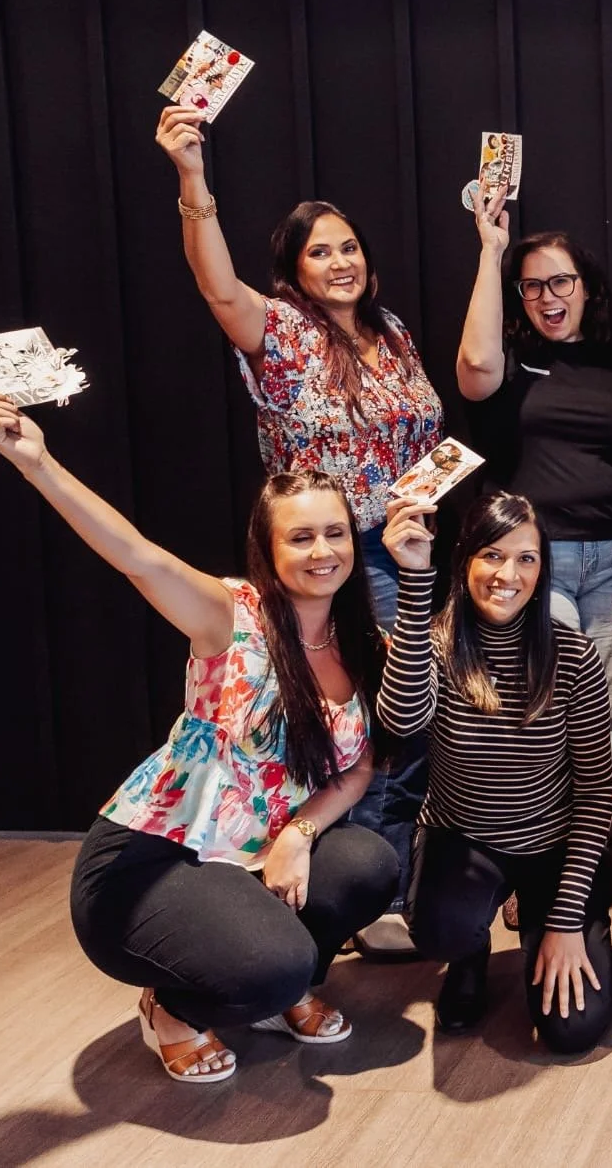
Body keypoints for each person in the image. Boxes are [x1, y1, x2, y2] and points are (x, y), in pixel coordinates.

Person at [0, 393, 397, 1084]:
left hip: (253, 853)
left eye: (335, 533)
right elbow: (136, 556)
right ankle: (173, 1007)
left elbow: (358, 769)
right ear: (267, 547)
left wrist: (300, 831)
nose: (323, 550)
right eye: (301, 537)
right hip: (152, 861)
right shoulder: (230, 615)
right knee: (276, 961)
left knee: (369, 863)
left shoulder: (363, 642)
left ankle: (272, 984)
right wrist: (39, 464)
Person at [156, 103, 443, 956]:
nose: (341, 260)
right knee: (344, 725)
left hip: (400, 558)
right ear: (293, 268)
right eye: (320, 250)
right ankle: (326, 878)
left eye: (349, 245)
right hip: (326, 560)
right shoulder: (277, 332)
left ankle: (384, 877)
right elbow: (215, 285)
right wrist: (192, 178)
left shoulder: (393, 334)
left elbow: (416, 439)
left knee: (410, 722)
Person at [376, 492, 612, 1054]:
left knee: (571, 1030)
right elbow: (401, 721)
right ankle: (470, 955)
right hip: (464, 841)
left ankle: (550, 925)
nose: (508, 574)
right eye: (492, 554)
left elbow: (593, 796)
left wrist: (564, 923)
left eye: (526, 558)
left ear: (542, 567)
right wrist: (414, 580)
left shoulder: (574, 656)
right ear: (465, 561)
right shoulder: (431, 646)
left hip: (555, 847)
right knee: (441, 930)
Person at [457, 185, 612, 759]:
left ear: (586, 289)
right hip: (533, 560)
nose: (547, 296)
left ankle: (601, 839)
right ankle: (541, 829)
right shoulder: (504, 362)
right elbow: (474, 366)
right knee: (543, 702)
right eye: (532, 285)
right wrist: (490, 249)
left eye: (560, 282)